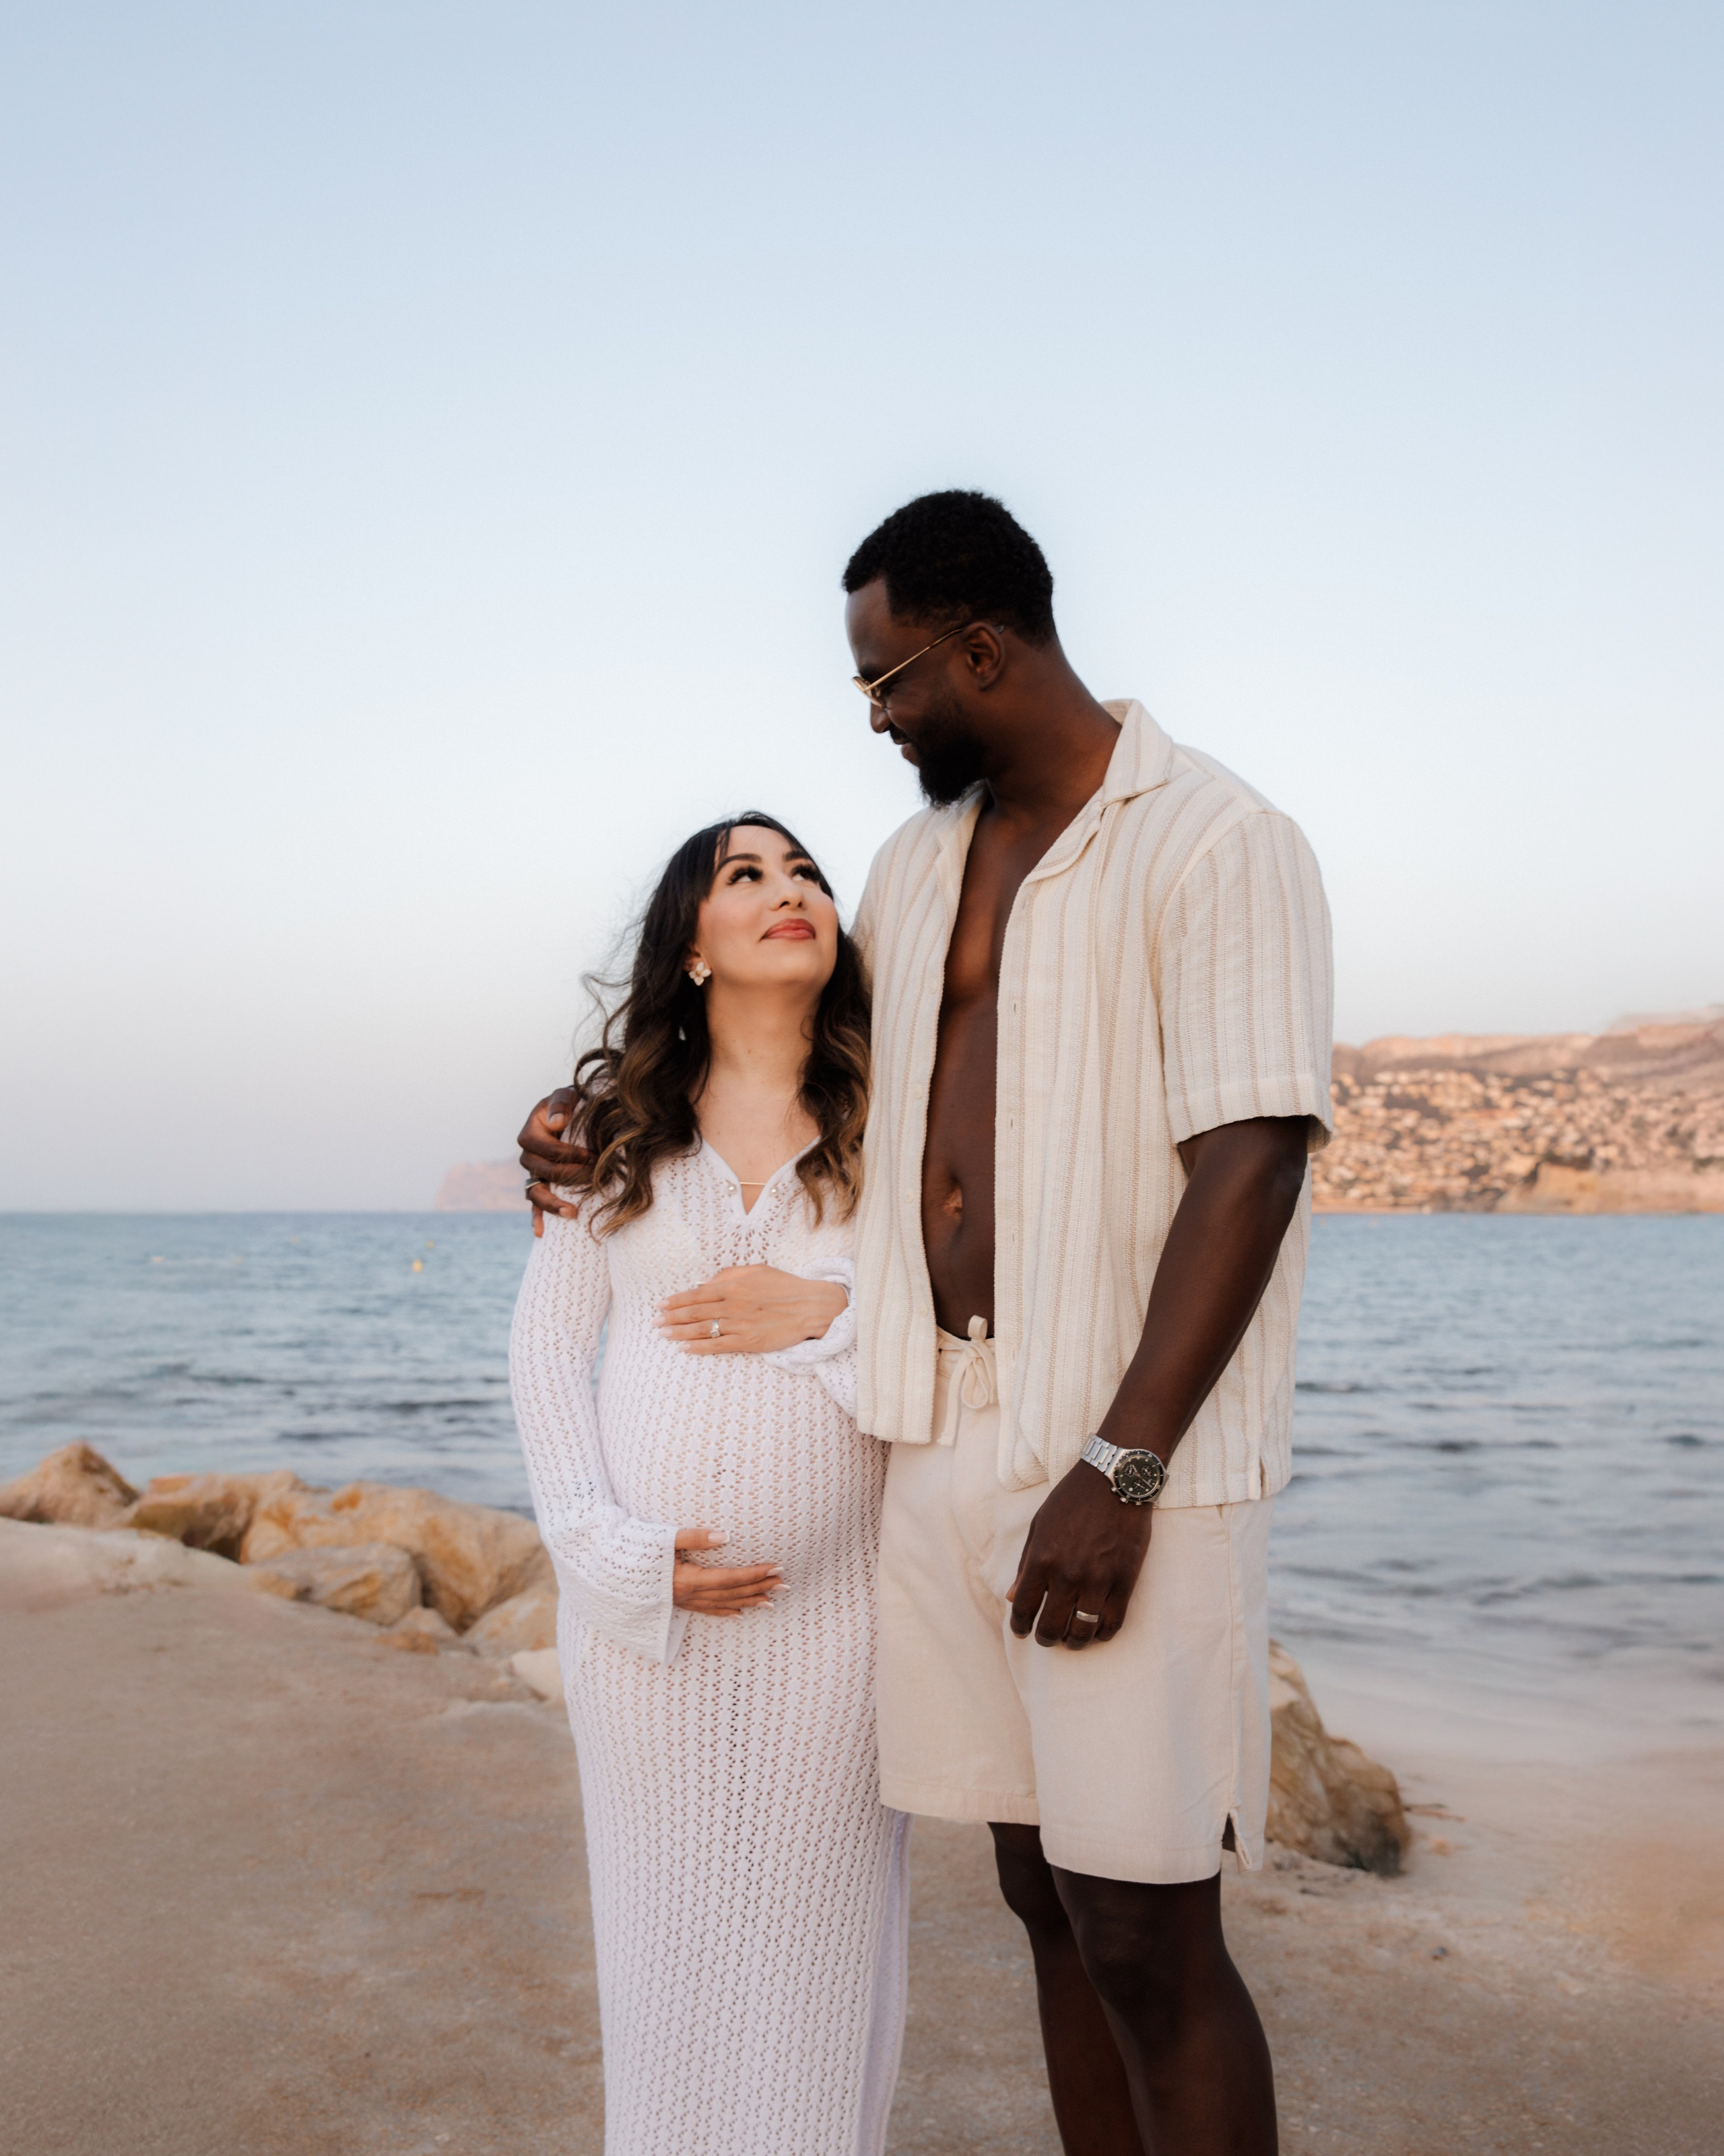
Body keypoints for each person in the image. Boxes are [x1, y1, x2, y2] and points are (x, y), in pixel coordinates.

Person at [525, 490, 1333, 2156]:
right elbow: (795, 1059)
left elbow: (1249, 1163)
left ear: (979, 651)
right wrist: (576, 1113)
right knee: (1039, 1890)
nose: (874, 719)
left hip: (1113, 1455)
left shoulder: (1217, 839)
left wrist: (1121, 1466)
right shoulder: (914, 863)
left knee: (1145, 1920)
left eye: (884, 681)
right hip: (937, 1441)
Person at [510, 813, 908, 2156]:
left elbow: (960, 1317)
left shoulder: (889, 1118)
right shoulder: (613, 1136)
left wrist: (828, 1302)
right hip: (645, 1636)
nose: (788, 889)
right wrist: (612, 1556)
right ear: (689, 945)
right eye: (747, 875)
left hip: (838, 1624)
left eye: (803, 872)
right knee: (663, 1967)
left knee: (814, 1967)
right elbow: (547, 1354)